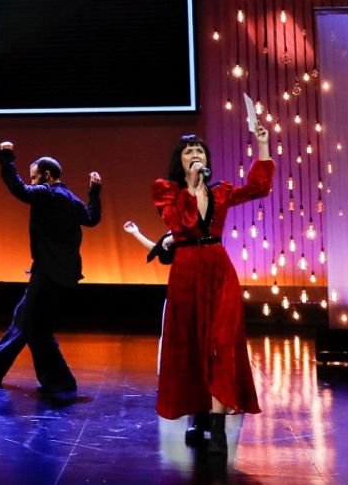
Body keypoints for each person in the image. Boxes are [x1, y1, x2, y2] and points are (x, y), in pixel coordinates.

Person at [152, 127, 271, 453]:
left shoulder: (221, 191)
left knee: (221, 341)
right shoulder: (166, 192)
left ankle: (217, 426)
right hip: (187, 272)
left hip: (219, 271)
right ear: (179, 161)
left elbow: (259, 188)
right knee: (193, 344)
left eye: (200, 151)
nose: (195, 156)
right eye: (188, 152)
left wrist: (262, 144)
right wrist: (191, 188)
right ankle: (199, 414)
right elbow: (181, 223)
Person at [0, 144, 101, 397]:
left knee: (30, 324)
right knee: (32, 323)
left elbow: (19, 189)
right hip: (61, 273)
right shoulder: (72, 199)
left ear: (46, 175)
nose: (32, 182)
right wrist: (94, 193)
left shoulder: (49, 193)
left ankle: (2, 366)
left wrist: (6, 158)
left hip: (48, 272)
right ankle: (48, 378)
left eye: (34, 177)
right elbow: (91, 218)